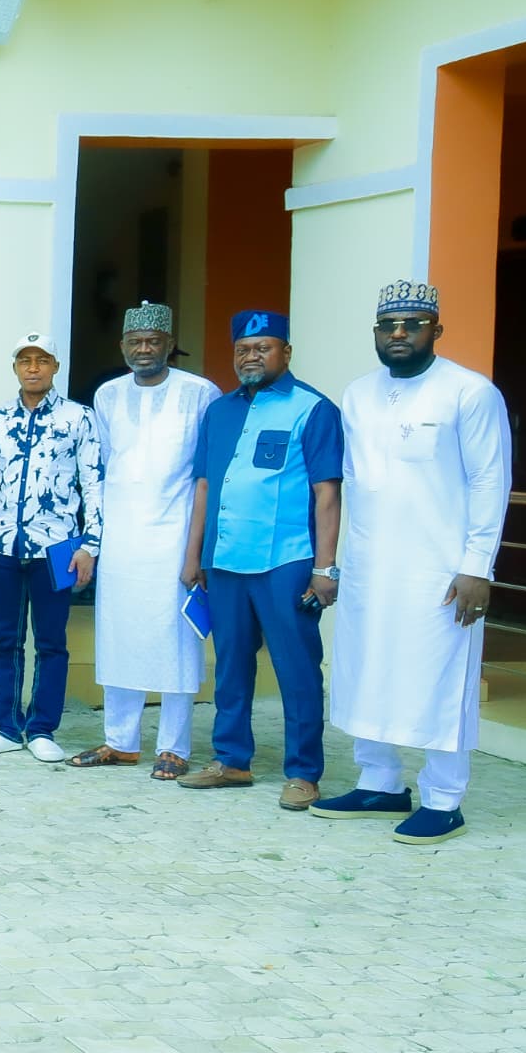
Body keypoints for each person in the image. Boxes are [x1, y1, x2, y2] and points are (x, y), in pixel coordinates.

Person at [315, 282, 511, 843]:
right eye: (388, 325)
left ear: (436, 330)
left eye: (413, 324)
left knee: (439, 678)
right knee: (367, 670)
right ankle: (380, 783)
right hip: (371, 565)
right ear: (376, 333)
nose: (398, 333)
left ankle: (444, 800)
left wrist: (478, 566)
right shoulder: (358, 394)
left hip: (441, 570)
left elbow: (490, 481)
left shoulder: (470, 392)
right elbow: (352, 481)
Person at [177, 310, 343, 809]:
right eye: (243, 349)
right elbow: (204, 486)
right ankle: (231, 760)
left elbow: (327, 493)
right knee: (230, 665)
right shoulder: (219, 412)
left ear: (285, 353)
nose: (251, 356)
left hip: (285, 561)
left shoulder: (313, 409)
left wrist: (325, 567)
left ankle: (304, 772)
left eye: (263, 348)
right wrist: (194, 556)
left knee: (297, 668)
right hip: (225, 560)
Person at [79, 303, 218, 777]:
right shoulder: (107, 395)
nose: (144, 349)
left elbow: (206, 473)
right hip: (121, 535)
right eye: (135, 342)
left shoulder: (200, 393)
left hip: (175, 535)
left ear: (169, 344)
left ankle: (174, 746)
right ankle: (120, 741)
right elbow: (102, 465)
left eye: (153, 341)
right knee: (118, 636)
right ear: (122, 346)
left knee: (176, 641)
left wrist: (197, 550)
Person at [0, 332, 101, 762]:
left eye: (42, 360)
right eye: (26, 360)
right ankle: (7, 726)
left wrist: (91, 544)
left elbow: (94, 482)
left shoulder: (79, 418)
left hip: (57, 548)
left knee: (51, 641)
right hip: (1, 546)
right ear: (16, 368)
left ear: (55, 366)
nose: (34, 367)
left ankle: (41, 729)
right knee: (5, 640)